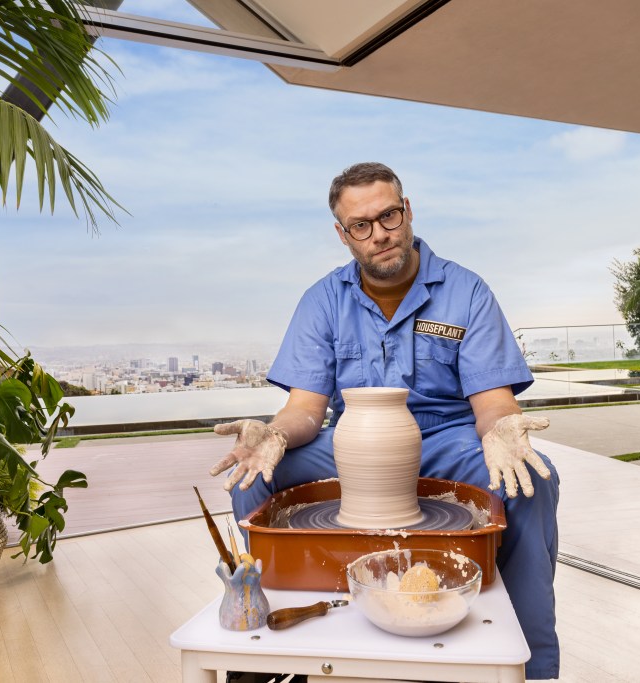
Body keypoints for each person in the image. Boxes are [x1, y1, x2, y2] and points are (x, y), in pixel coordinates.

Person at [210, 162, 560, 680]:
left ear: (407, 210)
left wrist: (506, 428)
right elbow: (307, 408)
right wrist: (277, 433)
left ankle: (530, 662)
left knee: (532, 482)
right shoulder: (323, 300)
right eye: (361, 225)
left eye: (389, 216)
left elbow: (492, 404)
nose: (380, 235)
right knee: (255, 477)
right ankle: (264, 643)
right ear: (343, 233)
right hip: (353, 442)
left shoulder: (467, 292)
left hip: (447, 440)